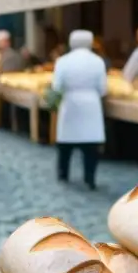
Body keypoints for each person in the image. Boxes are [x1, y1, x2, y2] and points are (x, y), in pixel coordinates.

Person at [51, 30, 108, 189]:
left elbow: (57, 86)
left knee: (66, 143)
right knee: (91, 145)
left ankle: (63, 174)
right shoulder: (98, 61)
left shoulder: (62, 61)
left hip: (70, 102)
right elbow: (103, 88)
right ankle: (89, 178)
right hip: (91, 104)